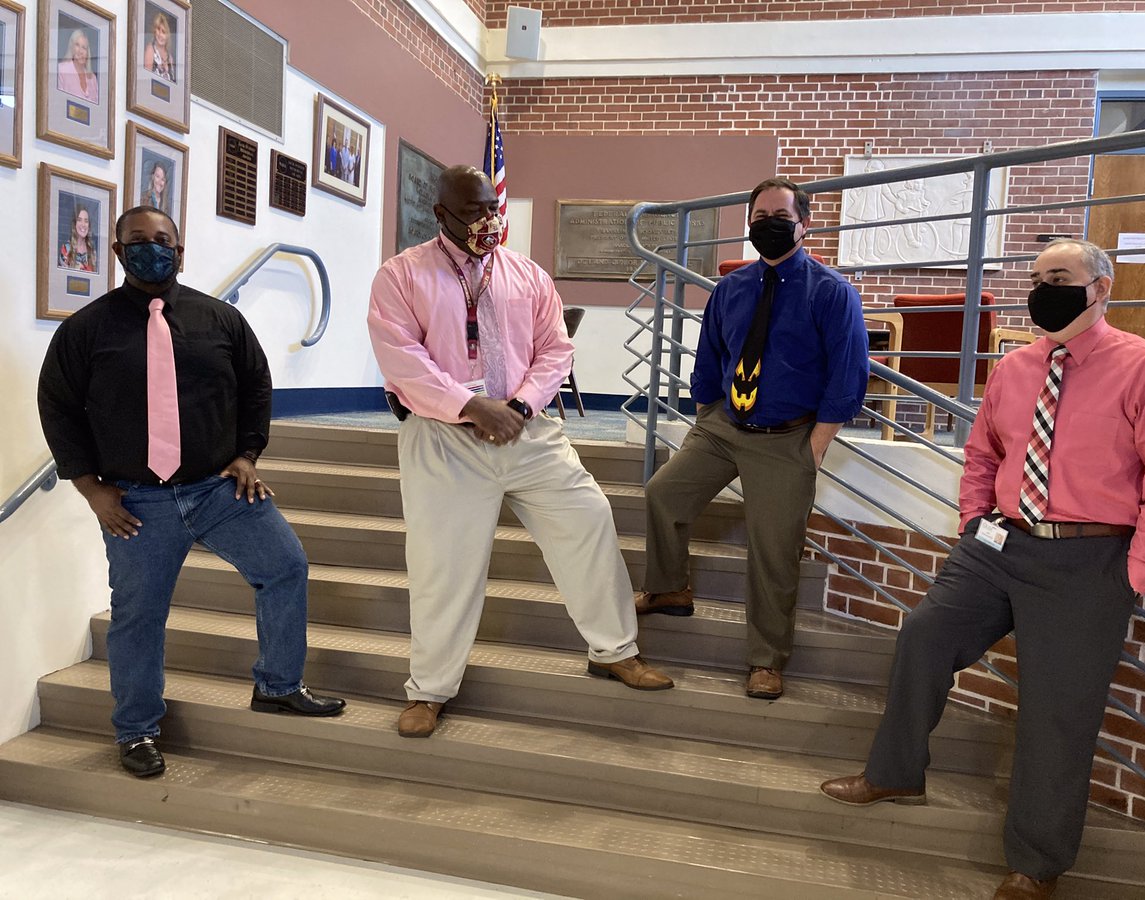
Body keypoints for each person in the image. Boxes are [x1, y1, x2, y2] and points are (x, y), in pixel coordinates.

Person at [819, 238, 1145, 900]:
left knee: (1057, 713)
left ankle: (1036, 861)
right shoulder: (1016, 368)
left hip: (1089, 558)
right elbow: (983, 454)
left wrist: (1130, 577)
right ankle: (895, 770)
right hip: (997, 547)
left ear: (1101, 288)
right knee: (924, 637)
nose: (1043, 287)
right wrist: (973, 521)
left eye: (1060, 277)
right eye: (1036, 277)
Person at [38, 206, 345, 779]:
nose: (150, 249)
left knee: (285, 567)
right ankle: (136, 730)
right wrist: (89, 488)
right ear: (117, 251)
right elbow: (57, 408)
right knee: (138, 616)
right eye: (137, 241)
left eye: (162, 241)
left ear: (180, 252)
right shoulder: (85, 331)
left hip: (218, 489)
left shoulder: (221, 320)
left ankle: (278, 685)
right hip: (135, 503)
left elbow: (257, 387)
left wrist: (247, 454)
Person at [367, 165, 673, 739]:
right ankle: (429, 690)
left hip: (527, 432)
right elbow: (402, 358)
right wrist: (470, 405)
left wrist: (522, 408)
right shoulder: (401, 275)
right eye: (473, 211)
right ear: (442, 215)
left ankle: (613, 650)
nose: (488, 220)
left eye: (492, 207)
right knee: (442, 565)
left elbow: (556, 351)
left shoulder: (527, 275)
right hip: (443, 438)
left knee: (588, 519)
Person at [637, 177, 869, 701]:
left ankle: (766, 660)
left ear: (803, 224)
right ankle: (670, 585)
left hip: (788, 438)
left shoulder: (832, 293)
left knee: (773, 551)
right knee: (663, 493)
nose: (768, 223)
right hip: (724, 426)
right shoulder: (731, 289)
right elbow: (710, 359)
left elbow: (848, 376)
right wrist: (707, 418)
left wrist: (813, 448)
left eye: (779, 215)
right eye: (759, 216)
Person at [56, 28, 99, 105]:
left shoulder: (93, 79)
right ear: (71, 47)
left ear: (87, 52)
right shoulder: (61, 69)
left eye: (84, 47)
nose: (80, 51)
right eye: (77, 45)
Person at [59, 204, 97, 273]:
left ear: (89, 225)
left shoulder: (93, 252)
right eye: (79, 220)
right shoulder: (66, 249)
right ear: (74, 223)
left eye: (86, 221)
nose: (83, 224)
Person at [142, 11, 176, 83]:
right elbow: (145, 81)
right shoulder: (150, 50)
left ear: (168, 36)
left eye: (163, 32)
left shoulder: (170, 58)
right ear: (154, 30)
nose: (160, 34)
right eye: (158, 29)